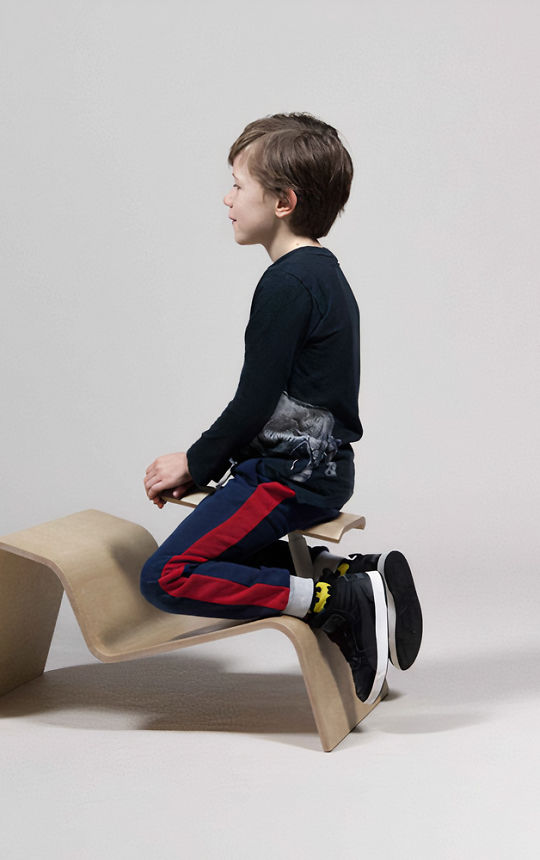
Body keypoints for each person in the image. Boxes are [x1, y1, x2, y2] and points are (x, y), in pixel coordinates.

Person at [140, 113, 422, 705]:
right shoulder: (324, 275)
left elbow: (254, 402)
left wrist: (193, 463)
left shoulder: (286, 285)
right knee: (223, 546)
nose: (228, 197)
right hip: (322, 471)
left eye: (239, 185)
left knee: (167, 576)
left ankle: (334, 600)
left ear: (284, 201)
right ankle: (349, 573)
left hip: (287, 479)